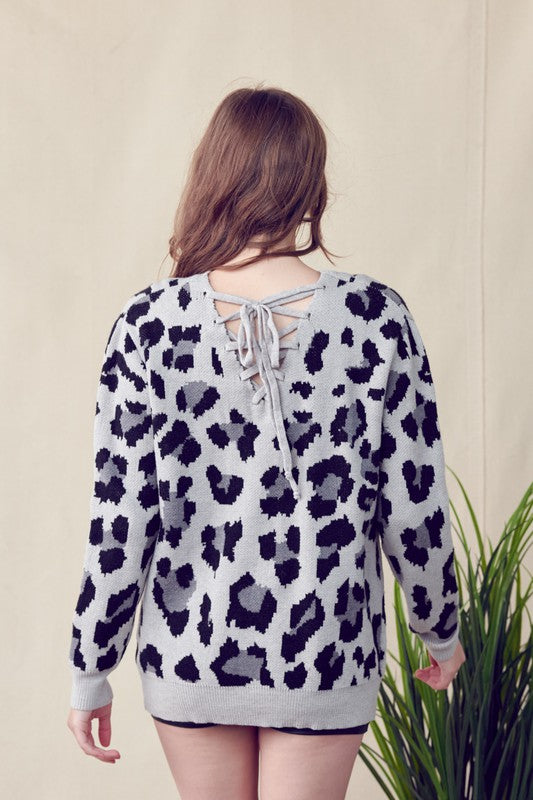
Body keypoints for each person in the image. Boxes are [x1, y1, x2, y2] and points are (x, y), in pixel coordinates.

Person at [66, 85, 465, 800]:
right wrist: (440, 629)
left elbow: (120, 518)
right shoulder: (376, 319)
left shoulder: (147, 325)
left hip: (190, 654)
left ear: (211, 175)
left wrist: (91, 667)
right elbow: (414, 506)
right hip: (327, 652)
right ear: (311, 184)